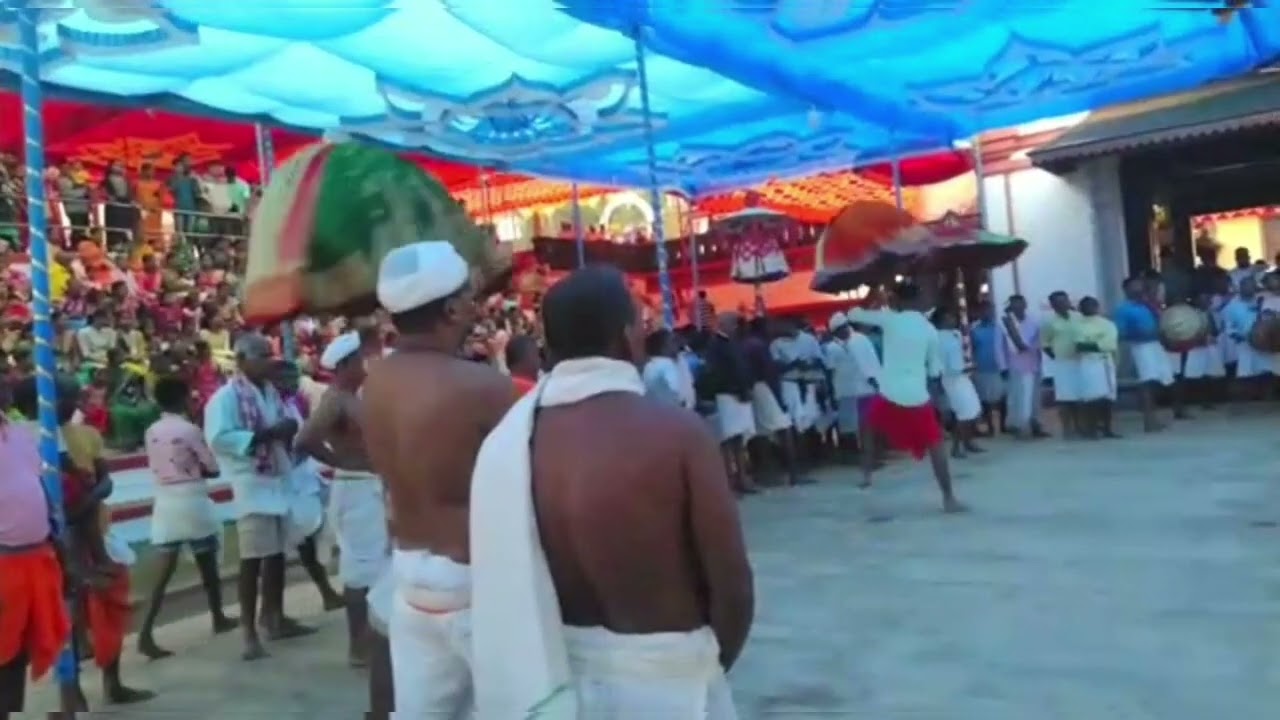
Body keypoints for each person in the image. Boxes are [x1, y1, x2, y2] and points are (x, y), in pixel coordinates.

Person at [470, 265, 753, 718]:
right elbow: (733, 588)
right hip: (672, 682)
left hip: (562, 680)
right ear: (626, 336)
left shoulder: (512, 442)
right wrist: (700, 671)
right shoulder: (676, 433)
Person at [361, 241, 517, 717]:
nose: (476, 308)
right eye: (469, 298)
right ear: (451, 309)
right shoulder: (483, 387)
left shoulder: (375, 384)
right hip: (478, 581)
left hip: (411, 577)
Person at [205, 332, 312, 661]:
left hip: (276, 478)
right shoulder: (225, 398)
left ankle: (274, 616)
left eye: (270, 355)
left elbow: (290, 421)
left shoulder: (270, 392)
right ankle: (248, 631)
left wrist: (289, 428)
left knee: (277, 553)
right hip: (251, 481)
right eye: (261, 356)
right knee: (252, 559)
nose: (269, 362)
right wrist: (266, 434)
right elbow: (220, 438)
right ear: (241, 360)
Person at [296, 331, 387, 668]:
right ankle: (359, 645)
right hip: (356, 485)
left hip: (367, 484)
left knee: (372, 565)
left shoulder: (353, 396)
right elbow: (305, 439)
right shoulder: (336, 399)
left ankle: (367, 641)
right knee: (360, 569)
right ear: (348, 363)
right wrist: (341, 462)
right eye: (362, 359)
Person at [137, 376, 236, 660]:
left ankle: (145, 632)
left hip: (165, 500)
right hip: (192, 497)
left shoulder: (151, 430)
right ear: (182, 400)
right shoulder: (190, 429)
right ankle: (218, 616)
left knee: (161, 576)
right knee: (208, 565)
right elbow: (212, 467)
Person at [847, 282, 965, 513]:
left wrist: (873, 295)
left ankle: (866, 474)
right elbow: (934, 370)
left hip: (888, 392)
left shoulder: (889, 320)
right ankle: (948, 498)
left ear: (896, 300)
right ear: (920, 301)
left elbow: (853, 315)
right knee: (936, 446)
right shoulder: (929, 329)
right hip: (917, 396)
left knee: (868, 428)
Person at [0, 387, 71, 720]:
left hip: (34, 556)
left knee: (17, 649)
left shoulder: (18, 433)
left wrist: (60, 549)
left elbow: (38, 485)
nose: (3, 388)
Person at [703, 313, 757, 493]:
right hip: (727, 395)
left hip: (738, 394)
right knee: (727, 440)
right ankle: (731, 481)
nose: (735, 327)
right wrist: (737, 389)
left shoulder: (732, 343)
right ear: (723, 325)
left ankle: (742, 478)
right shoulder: (716, 345)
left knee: (739, 439)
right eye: (732, 324)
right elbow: (718, 373)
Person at [1114, 276, 1174, 432]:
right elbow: (1120, 332)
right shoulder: (1123, 309)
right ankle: (1149, 421)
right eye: (1135, 286)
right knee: (1146, 383)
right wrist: (1140, 334)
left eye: (1140, 286)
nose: (1139, 289)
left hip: (1155, 345)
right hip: (1139, 347)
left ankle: (1153, 418)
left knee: (1157, 382)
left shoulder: (1147, 305)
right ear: (1126, 290)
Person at [823, 311, 880, 460]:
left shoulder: (861, 340)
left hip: (866, 390)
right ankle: (855, 456)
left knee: (867, 426)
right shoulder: (832, 347)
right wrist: (831, 393)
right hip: (845, 391)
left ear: (845, 327)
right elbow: (830, 371)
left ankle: (871, 457)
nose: (839, 334)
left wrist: (876, 382)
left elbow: (871, 363)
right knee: (849, 427)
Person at [933, 307, 983, 458]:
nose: (953, 320)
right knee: (964, 412)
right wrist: (968, 367)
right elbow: (947, 364)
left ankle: (967, 442)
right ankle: (957, 447)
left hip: (962, 377)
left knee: (972, 410)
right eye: (949, 317)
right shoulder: (937, 338)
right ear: (941, 320)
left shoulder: (955, 334)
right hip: (952, 378)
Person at [999, 295, 1047, 438]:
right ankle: (1020, 427)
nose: (1018, 307)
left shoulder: (1034, 320)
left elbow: (1039, 341)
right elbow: (1000, 346)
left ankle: (1035, 424)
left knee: (1034, 397)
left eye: (1020, 304)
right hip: (1016, 365)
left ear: (1025, 304)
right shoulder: (1005, 322)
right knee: (1019, 397)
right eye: (1015, 305)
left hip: (1033, 363)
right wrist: (1003, 367)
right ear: (1011, 307)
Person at [1074, 296, 1120, 438]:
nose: (1089, 308)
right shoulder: (1076, 325)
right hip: (1087, 363)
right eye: (1085, 306)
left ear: (1097, 307)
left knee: (1107, 398)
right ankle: (1090, 430)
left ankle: (1107, 429)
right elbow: (1079, 345)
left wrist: (1092, 344)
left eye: (1092, 305)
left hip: (1105, 362)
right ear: (1080, 309)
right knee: (1090, 398)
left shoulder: (1107, 324)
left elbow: (1110, 344)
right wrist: (1098, 344)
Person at [1042, 290, 1082, 437]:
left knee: (1079, 397)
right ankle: (1067, 429)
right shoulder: (1049, 322)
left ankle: (1079, 426)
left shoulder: (1079, 317)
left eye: (1064, 301)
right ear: (1052, 305)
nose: (1062, 304)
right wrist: (1056, 356)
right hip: (1062, 364)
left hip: (1079, 361)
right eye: (1058, 303)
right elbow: (1045, 344)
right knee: (1064, 398)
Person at [968, 301, 1006, 435]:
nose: (987, 313)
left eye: (989, 310)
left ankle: (1003, 426)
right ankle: (990, 427)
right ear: (979, 312)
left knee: (1002, 399)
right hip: (982, 368)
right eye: (984, 310)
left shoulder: (999, 327)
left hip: (999, 367)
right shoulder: (973, 329)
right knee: (985, 400)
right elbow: (970, 348)